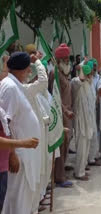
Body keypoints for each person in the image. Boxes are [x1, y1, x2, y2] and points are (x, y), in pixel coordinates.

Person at [0, 52, 41, 214]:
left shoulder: (14, 84)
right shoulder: (9, 87)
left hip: (25, 154)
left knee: (21, 202)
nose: (29, 73)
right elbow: (4, 125)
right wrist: (12, 154)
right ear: (19, 69)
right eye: (27, 69)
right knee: (17, 202)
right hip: (18, 155)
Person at [24, 44, 51, 212]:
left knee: (41, 171)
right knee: (31, 178)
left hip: (40, 134)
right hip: (30, 140)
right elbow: (43, 81)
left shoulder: (30, 90)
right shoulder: (24, 88)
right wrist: (38, 62)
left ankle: (39, 200)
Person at [49, 43, 74, 188]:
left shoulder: (65, 73)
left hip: (68, 114)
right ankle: (59, 176)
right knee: (60, 144)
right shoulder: (55, 74)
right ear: (58, 60)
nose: (67, 60)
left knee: (66, 144)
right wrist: (65, 111)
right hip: (60, 113)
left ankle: (61, 170)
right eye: (64, 58)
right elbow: (53, 97)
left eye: (67, 57)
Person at [71, 65, 96, 181]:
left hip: (89, 119)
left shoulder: (89, 83)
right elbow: (79, 80)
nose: (91, 75)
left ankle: (82, 169)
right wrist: (83, 72)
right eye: (89, 73)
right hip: (81, 120)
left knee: (86, 145)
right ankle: (78, 173)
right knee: (81, 146)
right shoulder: (76, 82)